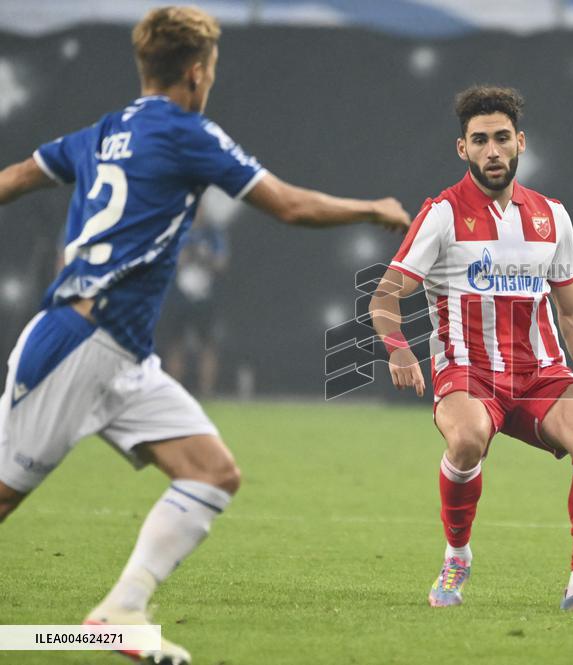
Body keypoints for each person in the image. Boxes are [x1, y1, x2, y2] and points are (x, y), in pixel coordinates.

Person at [0, 7, 409, 664]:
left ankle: (120, 610)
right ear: (196, 73)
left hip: (123, 356)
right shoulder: (188, 133)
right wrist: (372, 208)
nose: (210, 80)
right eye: (211, 69)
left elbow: (17, 177)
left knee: (213, 473)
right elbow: (290, 205)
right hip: (76, 345)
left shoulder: (103, 132)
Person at [368, 85, 573, 613]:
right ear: (462, 149)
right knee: (467, 439)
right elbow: (385, 295)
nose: (492, 150)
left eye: (501, 138)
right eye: (479, 140)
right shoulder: (442, 214)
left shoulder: (552, 216)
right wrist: (397, 347)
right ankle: (457, 555)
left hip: (540, 372)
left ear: (520, 143)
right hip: (467, 370)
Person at [163, 212, 229, 397]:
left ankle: (207, 391)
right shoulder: (177, 230)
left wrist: (205, 257)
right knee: (175, 345)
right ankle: (172, 393)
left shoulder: (212, 233)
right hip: (178, 297)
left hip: (204, 297)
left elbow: (222, 263)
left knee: (207, 345)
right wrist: (183, 256)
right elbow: (167, 260)